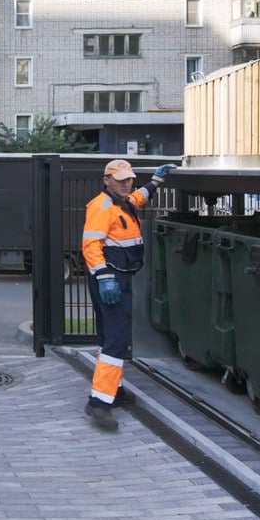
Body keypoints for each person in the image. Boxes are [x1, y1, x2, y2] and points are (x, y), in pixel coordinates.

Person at [81, 159, 175, 431]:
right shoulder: (103, 206)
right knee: (117, 340)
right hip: (111, 279)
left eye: (129, 178)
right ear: (106, 180)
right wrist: (105, 277)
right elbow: (90, 245)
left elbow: (137, 198)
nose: (126, 183)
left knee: (109, 336)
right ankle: (99, 403)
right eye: (120, 179)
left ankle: (115, 390)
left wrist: (155, 182)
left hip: (114, 278)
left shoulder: (123, 201)